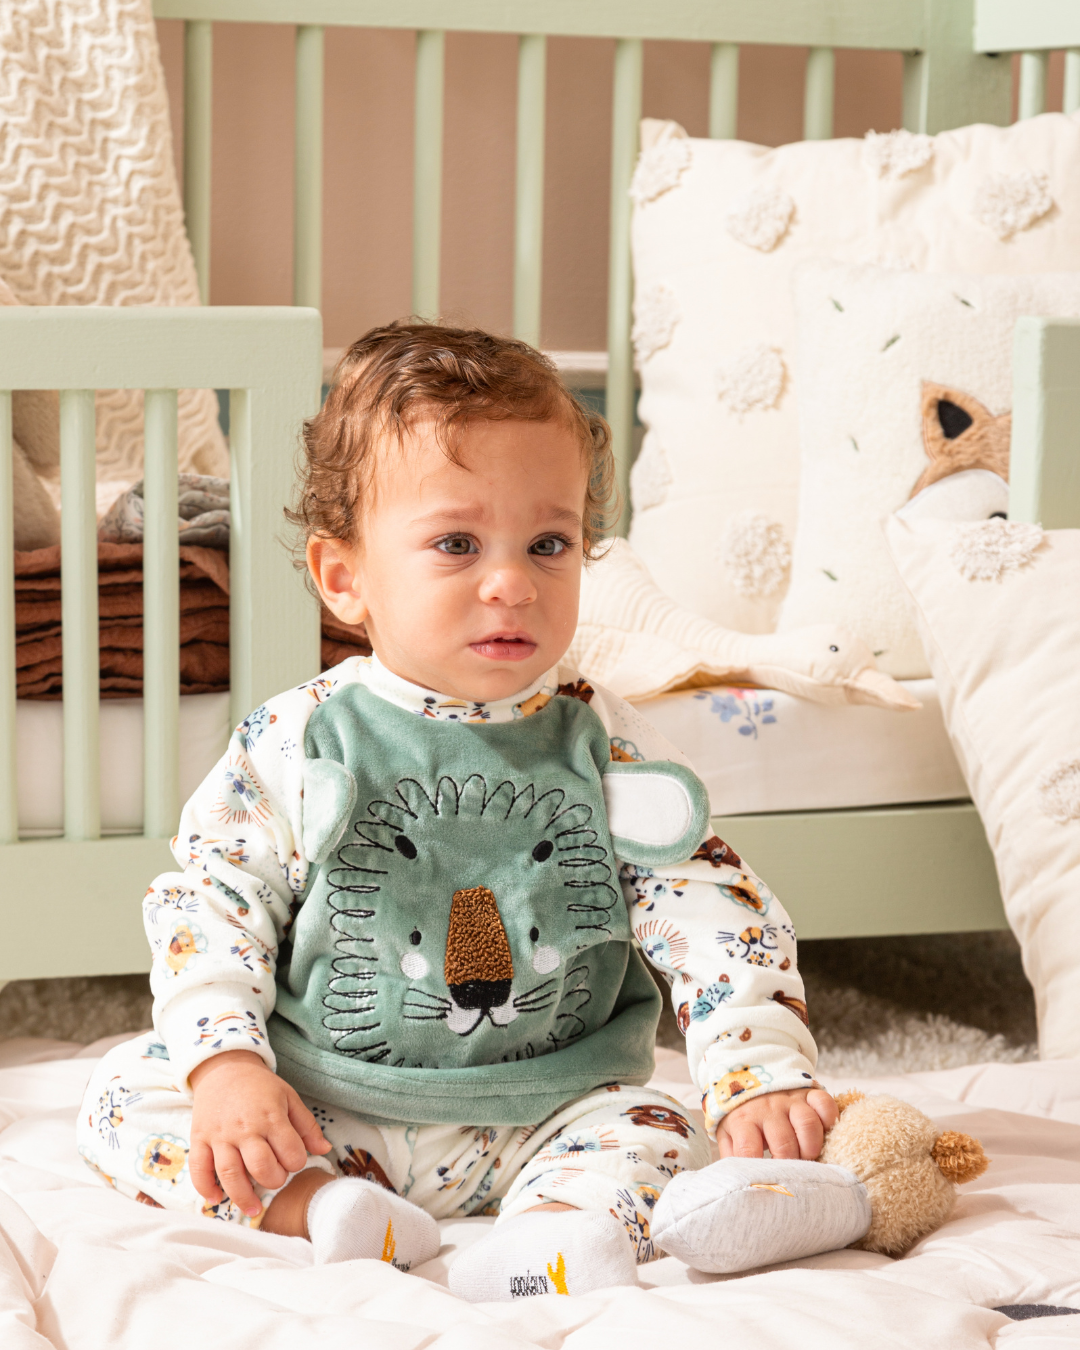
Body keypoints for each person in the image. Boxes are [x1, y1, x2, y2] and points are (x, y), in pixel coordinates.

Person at [77, 323, 835, 1301]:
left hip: (553, 1104)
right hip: (324, 1102)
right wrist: (228, 1068)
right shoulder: (301, 739)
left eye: (549, 544)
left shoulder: (597, 739)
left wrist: (756, 1066)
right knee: (126, 1096)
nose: (511, 582)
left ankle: (556, 1233)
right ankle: (321, 1207)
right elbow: (212, 905)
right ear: (344, 577)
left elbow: (708, 903)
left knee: (659, 1130)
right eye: (457, 544)